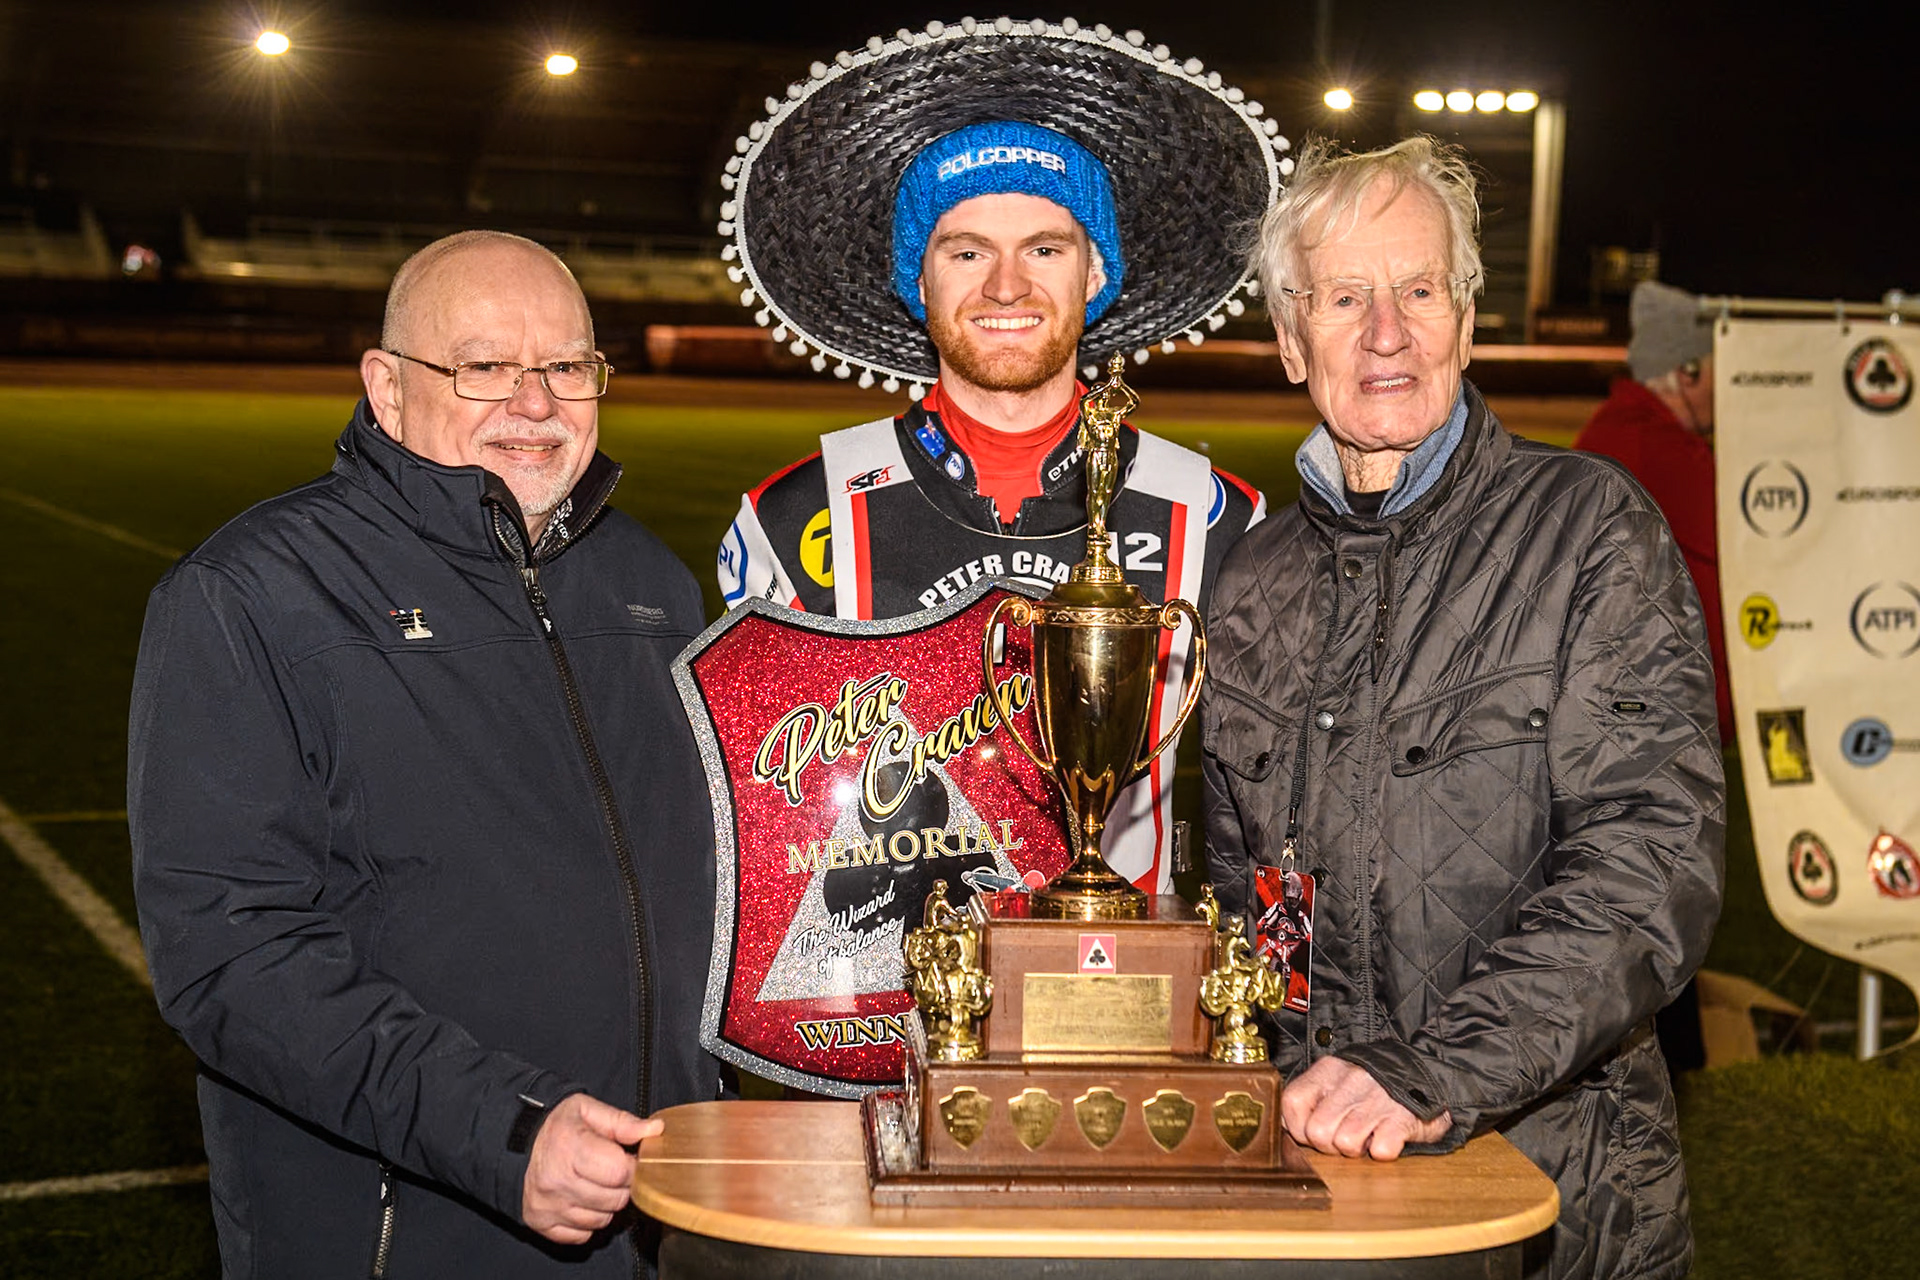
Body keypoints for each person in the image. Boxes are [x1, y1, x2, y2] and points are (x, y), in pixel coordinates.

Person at [129, 230, 718, 1278]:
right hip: (407, 1229)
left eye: (568, 366)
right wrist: (505, 1127)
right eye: (484, 366)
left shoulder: (652, 586)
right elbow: (233, 955)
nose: (536, 404)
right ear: (387, 388)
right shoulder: (253, 594)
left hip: (655, 1213)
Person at [1202, 137, 1725, 1280]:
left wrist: (1429, 1069)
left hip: (1556, 1204)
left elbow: (1653, 863)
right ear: (1292, 341)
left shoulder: (1588, 529)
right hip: (1319, 1192)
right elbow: (1247, 909)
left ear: (1466, 320)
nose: (1386, 332)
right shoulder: (1248, 583)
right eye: (1344, 297)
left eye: (1419, 289)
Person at [715, 21, 1282, 893]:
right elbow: (744, 833)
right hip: (883, 1019)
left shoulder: (1218, 516)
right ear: (921, 281)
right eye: (967, 251)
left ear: (1096, 275)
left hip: (1125, 1008)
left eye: (1045, 250)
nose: (1007, 287)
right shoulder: (793, 520)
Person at [1575, 280, 1731, 742]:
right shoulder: (1662, 451)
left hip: (1630, 706)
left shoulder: (1617, 431)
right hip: (1663, 719)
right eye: (1720, 371)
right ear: (1687, 372)